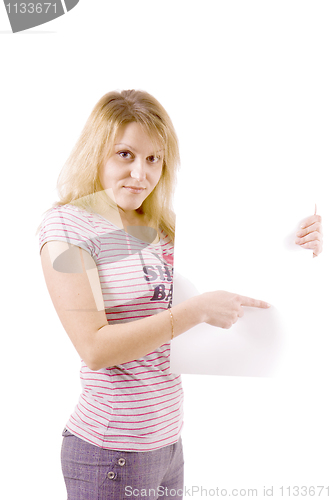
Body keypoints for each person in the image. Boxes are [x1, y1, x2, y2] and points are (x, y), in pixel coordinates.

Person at [38, 89, 323, 500]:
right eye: (125, 155)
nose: (141, 174)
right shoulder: (68, 225)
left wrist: (296, 247)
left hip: (168, 442)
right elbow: (94, 348)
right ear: (96, 152)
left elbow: (237, 280)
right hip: (109, 452)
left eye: (154, 159)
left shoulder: (158, 225)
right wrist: (195, 312)